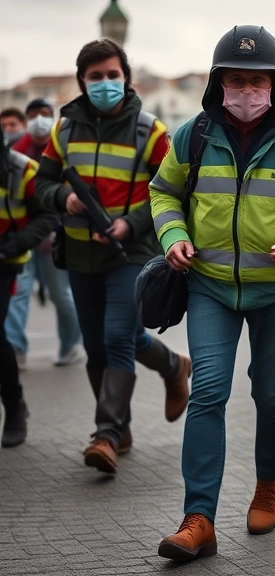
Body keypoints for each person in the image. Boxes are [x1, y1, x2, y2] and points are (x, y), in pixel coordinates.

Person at [150, 25, 275, 560]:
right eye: (235, 80)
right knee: (209, 392)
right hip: (210, 288)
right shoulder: (190, 136)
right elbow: (164, 193)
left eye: (256, 80)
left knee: (270, 393)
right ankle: (198, 518)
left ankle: (270, 484)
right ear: (218, 83)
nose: (246, 91)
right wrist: (173, 236)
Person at [35, 39, 191, 473]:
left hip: (132, 252)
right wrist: (63, 195)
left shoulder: (151, 131)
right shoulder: (63, 130)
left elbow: (174, 191)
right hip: (81, 252)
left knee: (117, 336)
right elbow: (40, 184)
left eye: (112, 75)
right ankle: (169, 370)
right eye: (95, 77)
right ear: (82, 82)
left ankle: (105, 433)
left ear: (126, 77)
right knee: (96, 343)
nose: (105, 83)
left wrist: (132, 223)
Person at [8, 98, 83, 369]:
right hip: (22, 237)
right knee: (18, 294)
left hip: (57, 236)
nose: (39, 119)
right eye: (33, 115)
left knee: (60, 295)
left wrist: (55, 229)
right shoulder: (17, 150)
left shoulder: (64, 143)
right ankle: (16, 350)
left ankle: (70, 344)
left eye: (44, 114)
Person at [0, 127, 59, 447]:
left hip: (5, 260)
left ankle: (14, 407)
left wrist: (18, 242)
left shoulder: (22, 169)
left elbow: (47, 214)